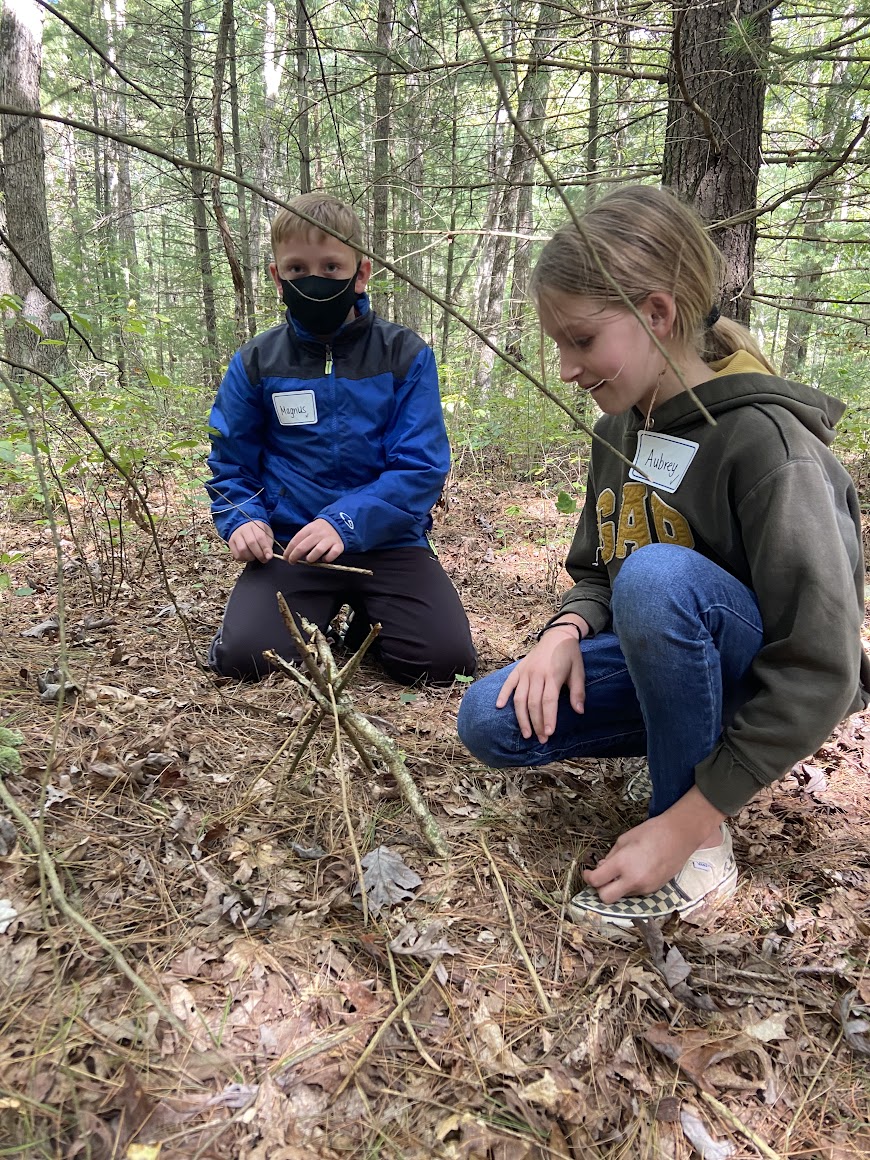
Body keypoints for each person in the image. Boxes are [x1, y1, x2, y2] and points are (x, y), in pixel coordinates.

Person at [457, 184, 870, 928]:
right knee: (490, 718)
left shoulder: (767, 446)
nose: (565, 367)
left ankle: (698, 839)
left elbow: (824, 666)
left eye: (581, 340)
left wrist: (682, 825)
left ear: (656, 311)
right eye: (557, 343)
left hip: (762, 684)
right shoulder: (620, 429)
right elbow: (596, 566)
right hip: (670, 657)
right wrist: (565, 631)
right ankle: (684, 748)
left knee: (656, 575)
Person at [206, 191, 476, 686]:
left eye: (332, 268)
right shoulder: (256, 362)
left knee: (445, 664)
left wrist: (344, 522)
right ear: (277, 277)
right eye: (297, 269)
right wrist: (243, 519)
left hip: (389, 543)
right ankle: (307, 616)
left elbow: (420, 467)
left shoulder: (405, 355)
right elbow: (230, 466)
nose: (315, 280)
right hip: (292, 543)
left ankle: (360, 626)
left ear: (361, 272)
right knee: (245, 659)